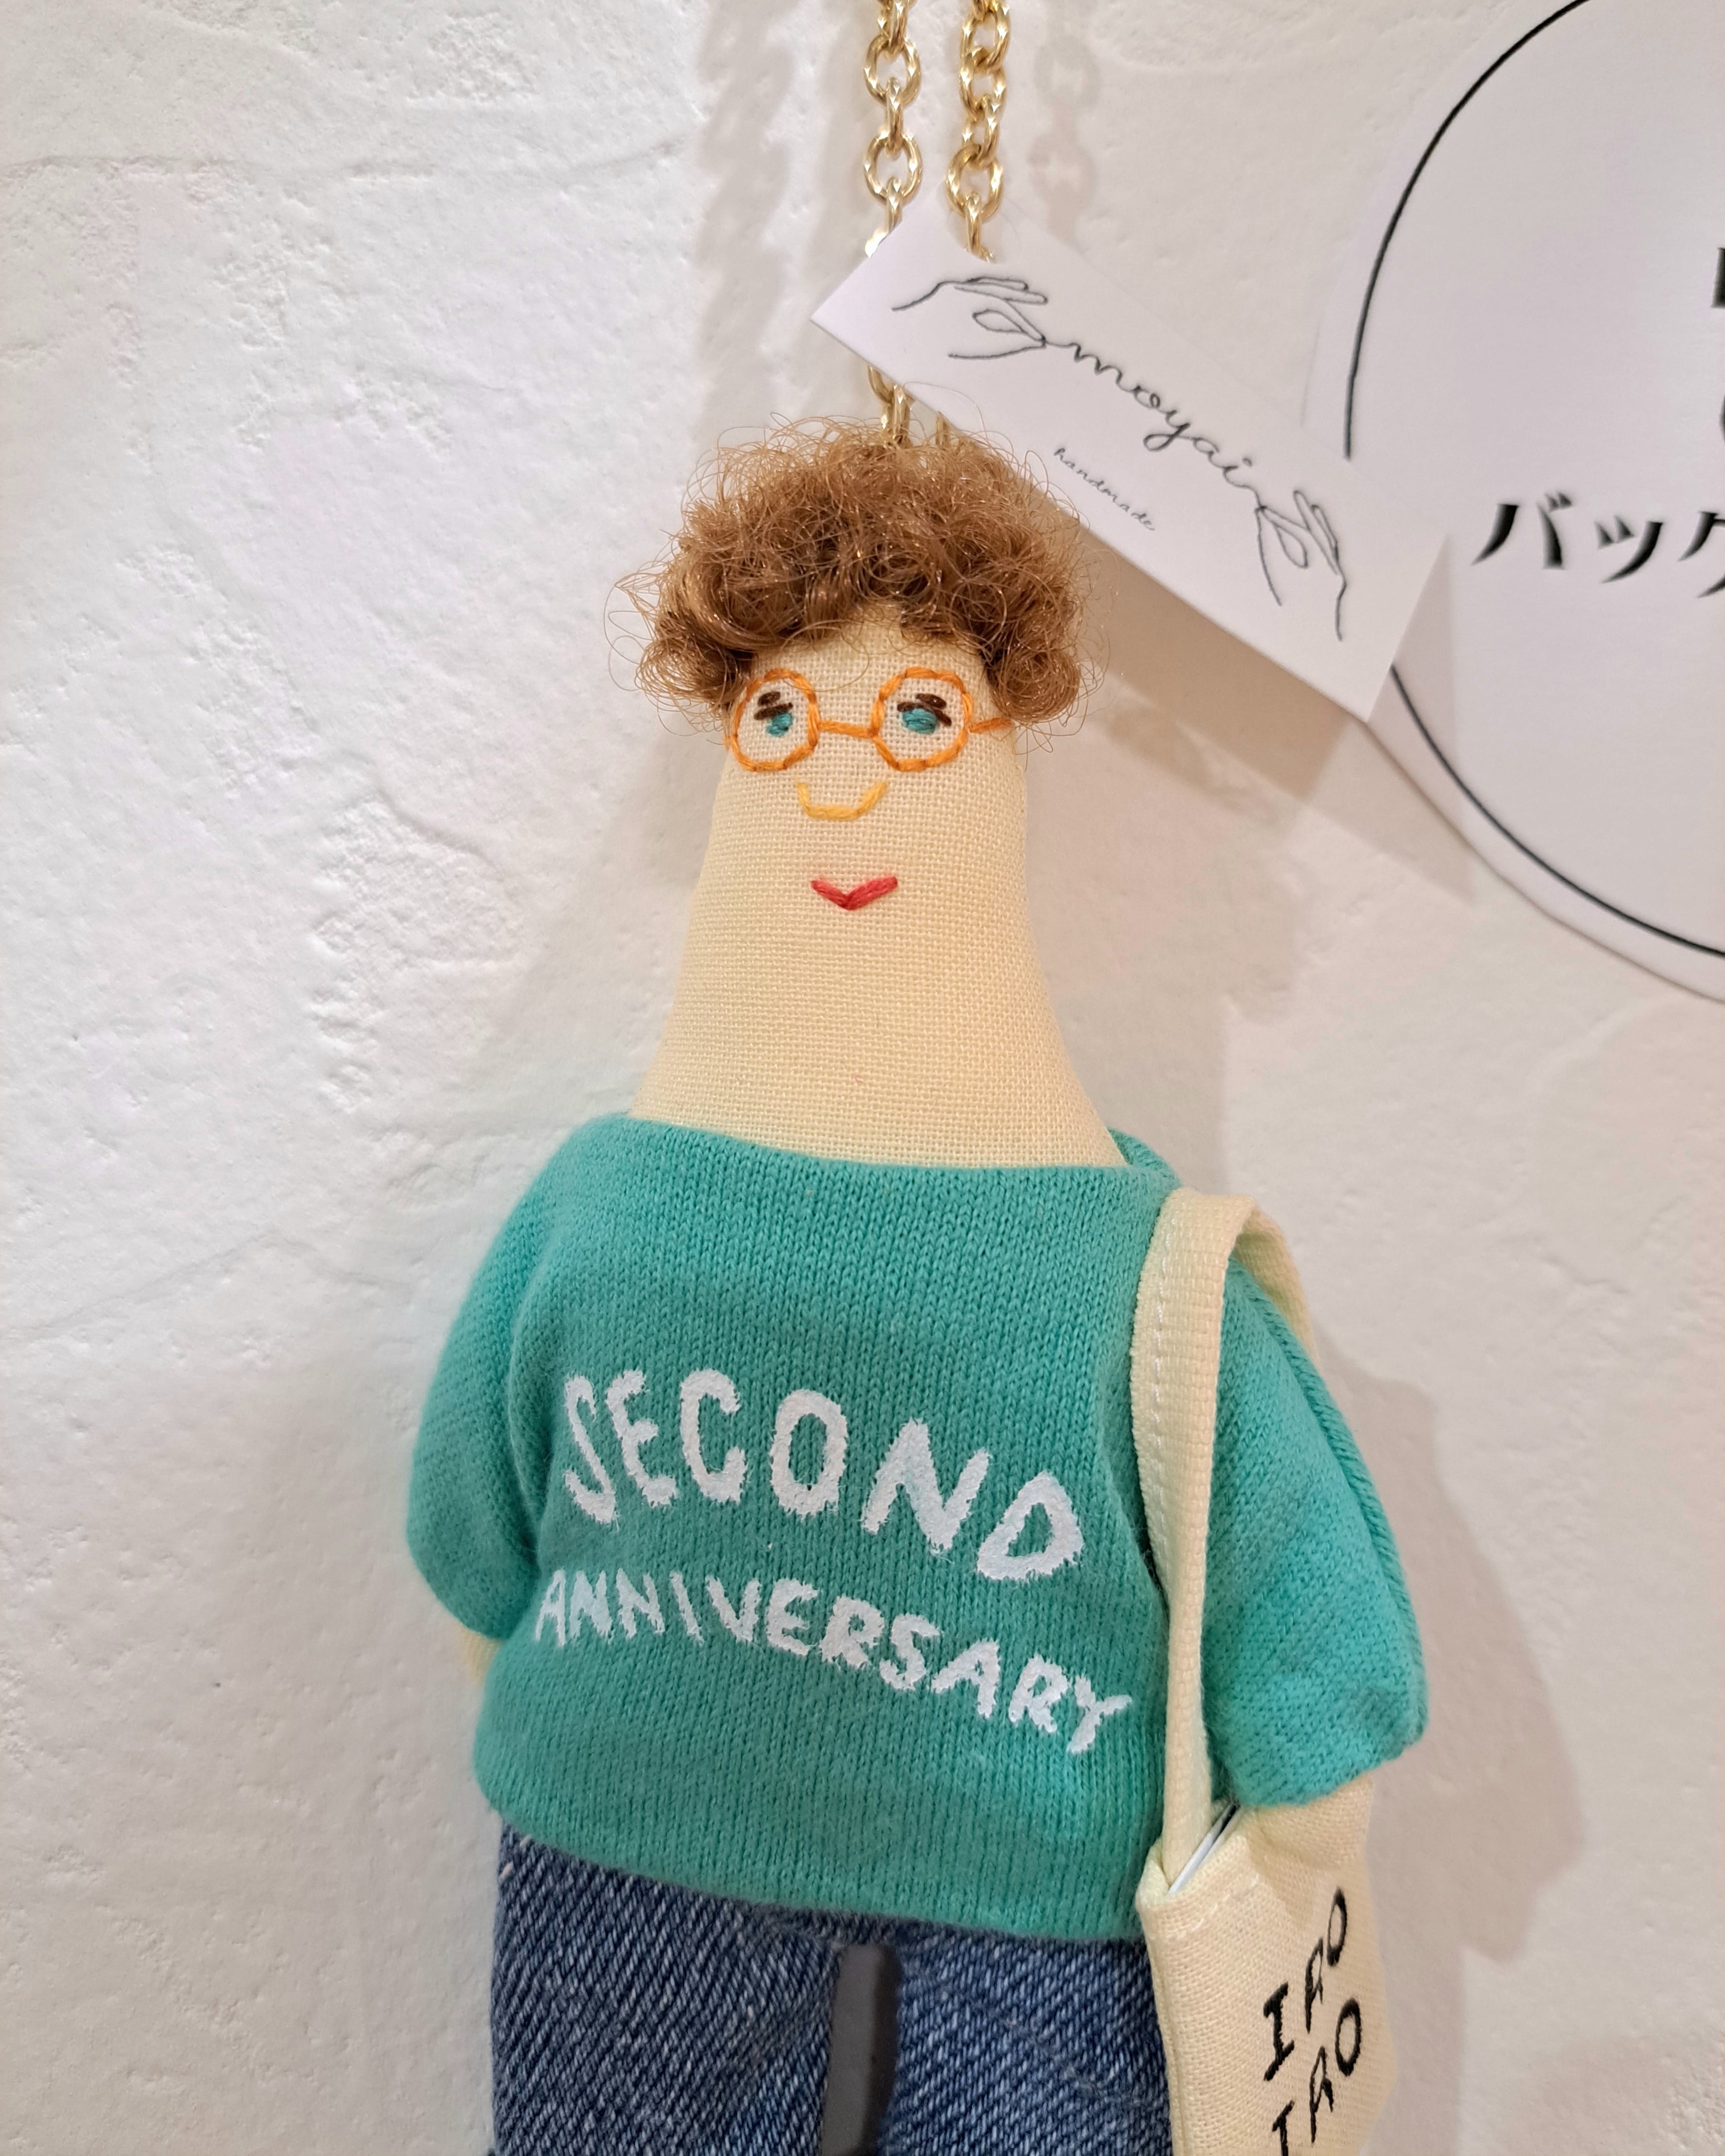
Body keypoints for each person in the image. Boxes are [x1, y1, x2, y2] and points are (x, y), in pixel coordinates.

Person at [406, 422, 1426, 2156]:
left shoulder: (596, 1212)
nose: (840, 782)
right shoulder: (1129, 1271)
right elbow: (1321, 1652)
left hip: (750, 1899)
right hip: (857, 1909)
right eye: (781, 724)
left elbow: (468, 1545)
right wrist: (1305, 1792)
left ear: (990, 748)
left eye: (919, 722)